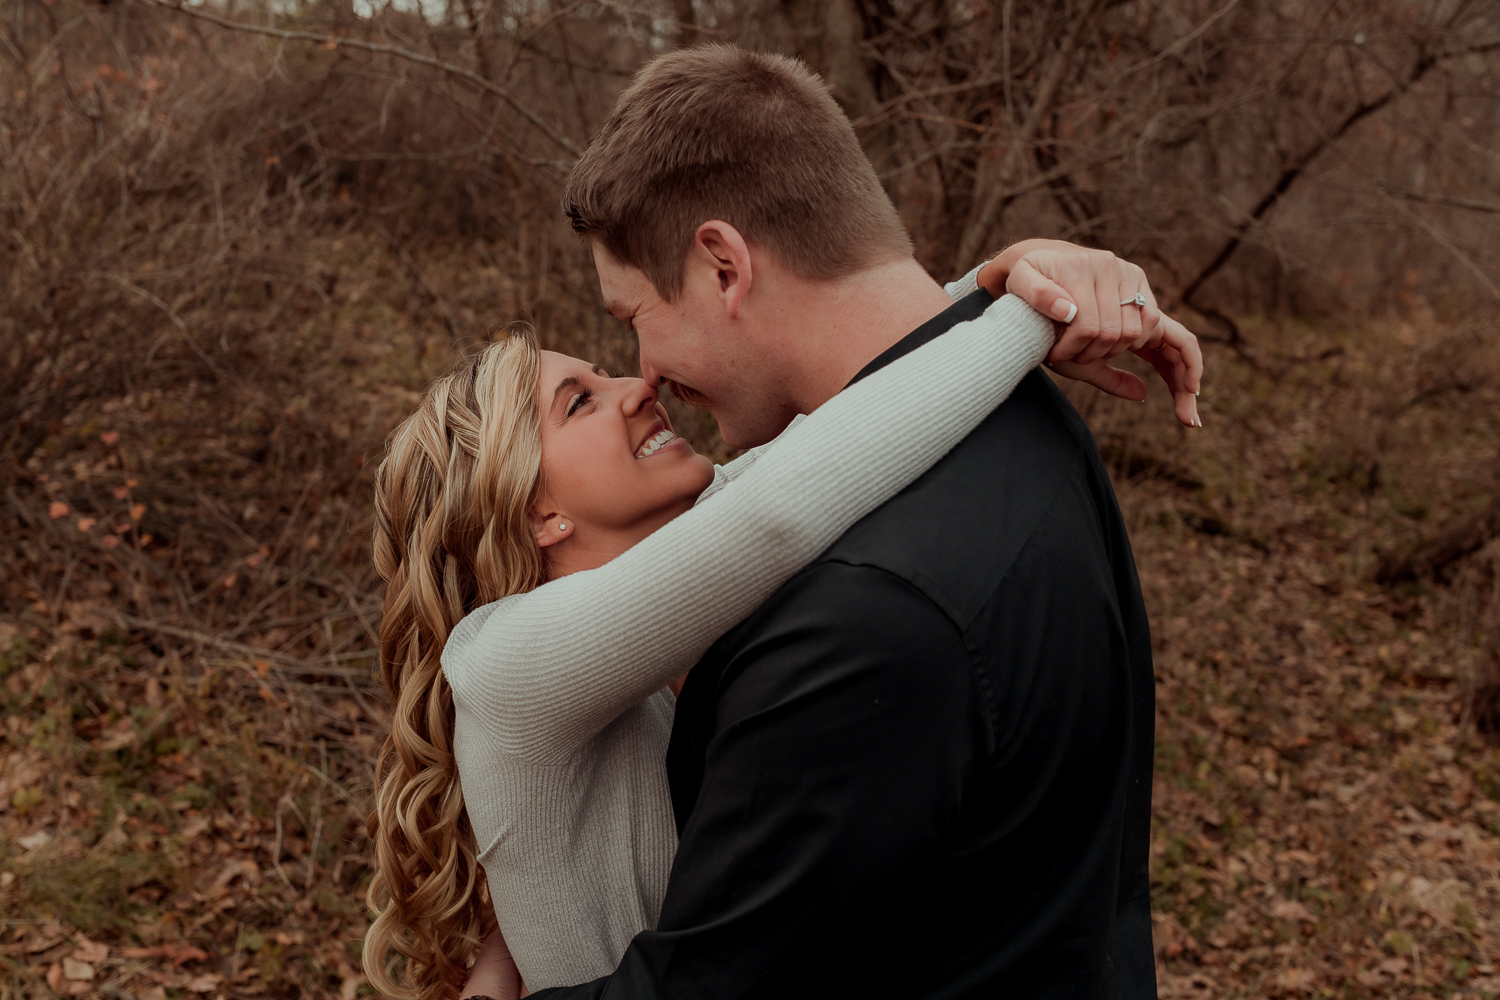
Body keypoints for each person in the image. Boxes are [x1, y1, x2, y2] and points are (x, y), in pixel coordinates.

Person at [488, 45, 1186, 1000]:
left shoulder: (859, 618)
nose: (641, 375)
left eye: (632, 318)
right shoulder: (1025, 420)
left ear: (724, 266)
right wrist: (1000, 303)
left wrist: (1010, 307)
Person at [361, 268, 1198, 998]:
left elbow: (833, 429)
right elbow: (784, 507)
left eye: (606, 371)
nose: (636, 387)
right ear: (537, 511)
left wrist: (1005, 283)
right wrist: (1031, 316)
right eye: (580, 402)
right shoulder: (504, 659)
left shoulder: (650, 591)